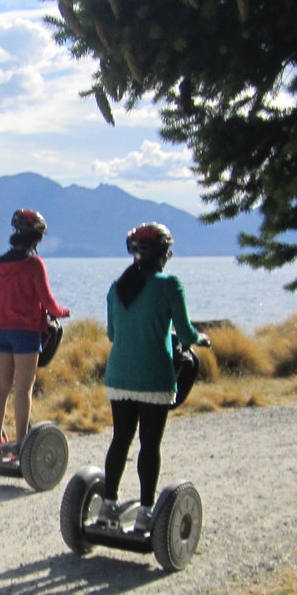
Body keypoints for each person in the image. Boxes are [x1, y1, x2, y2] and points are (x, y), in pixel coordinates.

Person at [100, 222, 209, 532]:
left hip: (119, 375)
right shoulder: (170, 285)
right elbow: (186, 332)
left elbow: (112, 333)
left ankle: (108, 505)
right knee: (150, 444)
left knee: (120, 439)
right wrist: (200, 339)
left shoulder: (116, 287)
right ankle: (146, 511)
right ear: (164, 253)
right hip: (153, 377)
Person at [0, 208, 69, 460]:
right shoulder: (34, 264)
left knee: (1, 386)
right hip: (26, 333)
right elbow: (48, 301)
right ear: (36, 238)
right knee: (23, 389)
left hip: (0, 331)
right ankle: (21, 443)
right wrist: (62, 311)